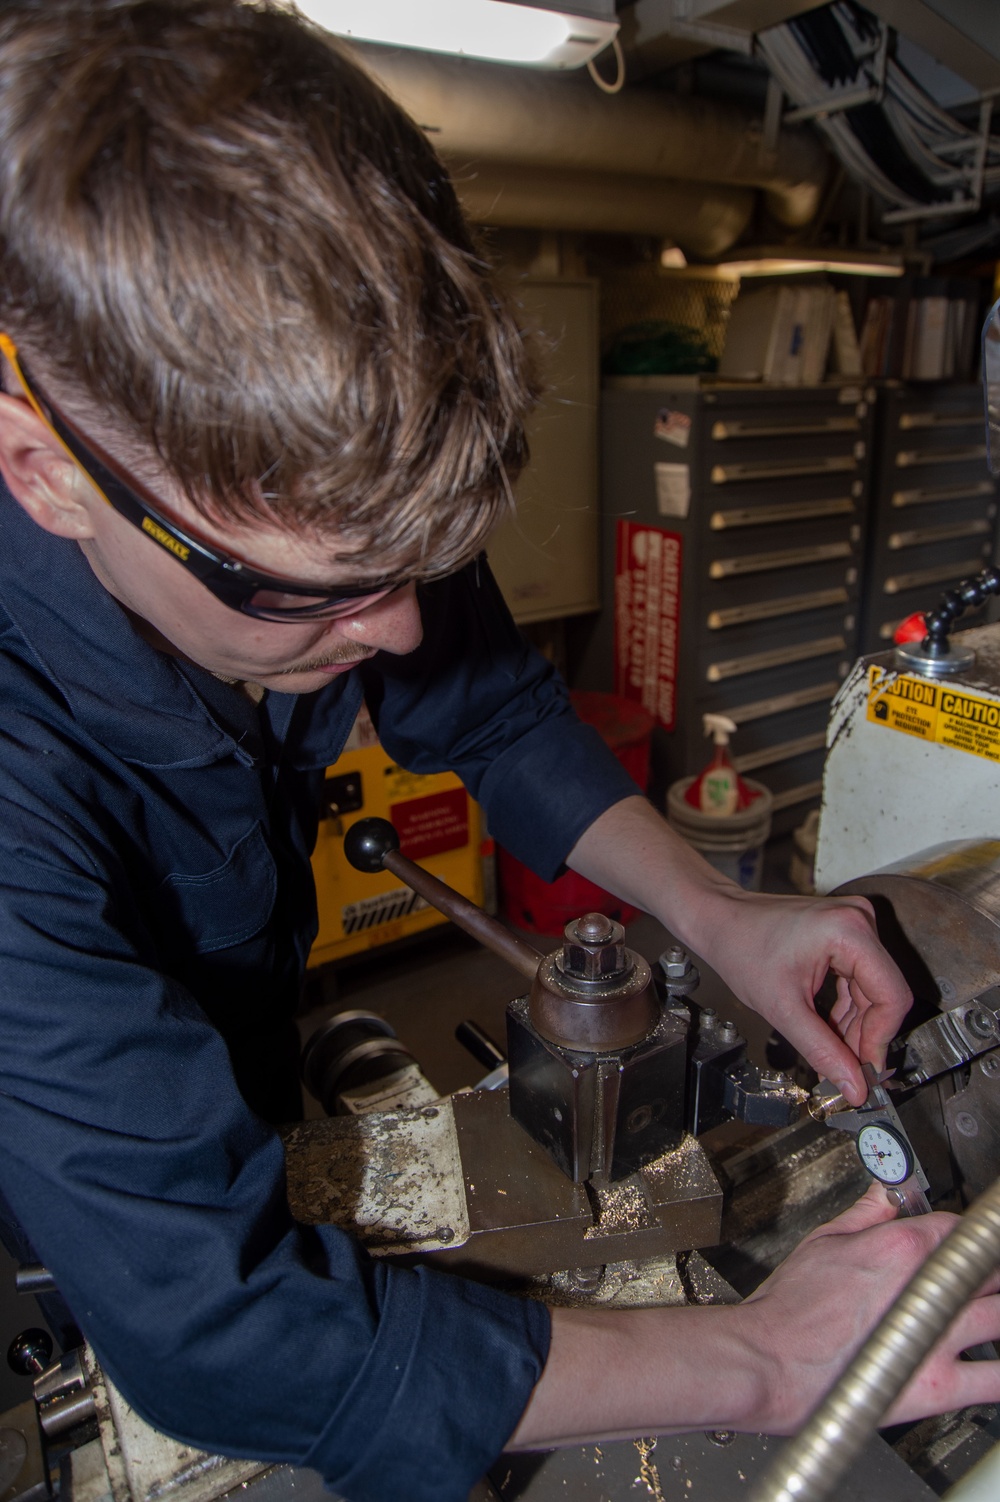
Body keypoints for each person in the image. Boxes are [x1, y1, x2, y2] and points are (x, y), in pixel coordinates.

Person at [0, 4, 996, 1501]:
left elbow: (485, 705)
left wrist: (717, 910)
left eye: (428, 559)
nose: (402, 631)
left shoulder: (313, 482)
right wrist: (772, 1353)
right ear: (44, 471)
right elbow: (221, 1325)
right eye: (321, 588)